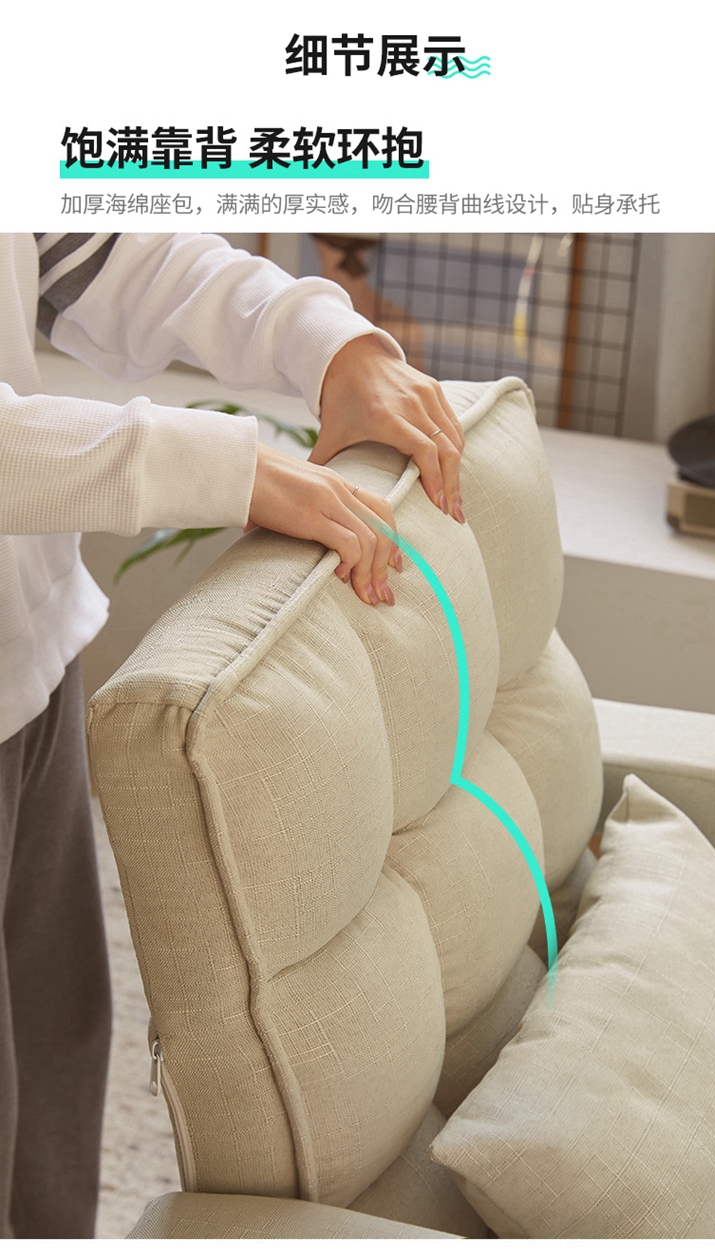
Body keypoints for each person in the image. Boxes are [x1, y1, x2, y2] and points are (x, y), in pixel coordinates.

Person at [0, 231, 464, 1238]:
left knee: (52, 1066)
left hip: (26, 657)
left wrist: (330, 343)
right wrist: (229, 470)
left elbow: (92, 250)